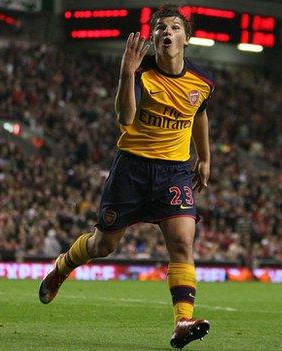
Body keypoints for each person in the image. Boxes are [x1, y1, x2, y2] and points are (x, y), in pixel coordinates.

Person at [38, 4, 214, 348]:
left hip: (174, 172)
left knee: (182, 243)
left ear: (187, 38)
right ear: (153, 37)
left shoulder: (203, 81)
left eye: (175, 28)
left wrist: (204, 157)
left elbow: (200, 113)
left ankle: (182, 321)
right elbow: (125, 118)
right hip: (133, 168)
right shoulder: (141, 72)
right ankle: (62, 267)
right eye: (161, 28)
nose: (167, 32)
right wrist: (125, 74)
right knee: (103, 245)